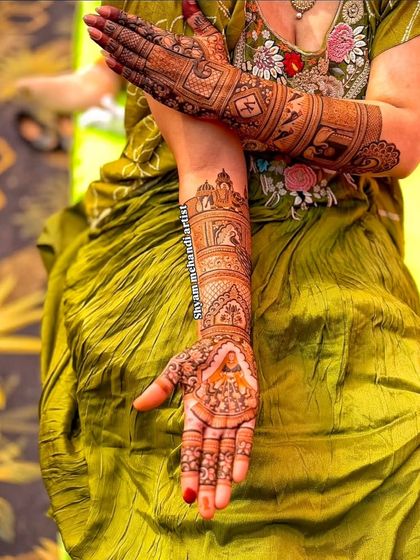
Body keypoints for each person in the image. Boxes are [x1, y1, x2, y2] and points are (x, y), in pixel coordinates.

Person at [38, 1, 420, 558]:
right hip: (183, 229)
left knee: (397, 428)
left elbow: (402, 141)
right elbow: (205, 165)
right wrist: (225, 334)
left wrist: (228, 93)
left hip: (338, 228)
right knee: (217, 500)